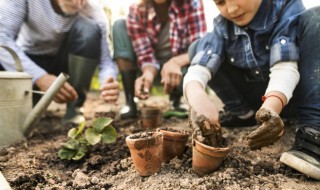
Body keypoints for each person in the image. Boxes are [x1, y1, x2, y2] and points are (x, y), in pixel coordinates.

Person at [184, 0, 320, 180]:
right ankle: (243, 115)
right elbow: (198, 69)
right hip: (258, 102)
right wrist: (197, 95)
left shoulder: (286, 8)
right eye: (220, 2)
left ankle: (313, 131)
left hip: (293, 95)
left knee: (316, 17)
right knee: (198, 47)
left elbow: (285, 68)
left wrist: (272, 106)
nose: (231, 9)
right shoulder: (222, 25)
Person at [0, 0, 120, 124]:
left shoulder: (93, 9)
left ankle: (75, 108)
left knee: (88, 29)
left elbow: (105, 61)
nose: (77, 3)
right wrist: (39, 77)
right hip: (29, 61)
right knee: (19, 117)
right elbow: (2, 38)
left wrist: (108, 80)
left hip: (65, 64)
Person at [112, 0, 207, 119]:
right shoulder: (136, 10)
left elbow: (199, 47)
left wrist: (175, 62)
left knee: (197, 64)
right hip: (151, 70)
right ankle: (130, 100)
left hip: (181, 71)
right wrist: (148, 73)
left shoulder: (193, 3)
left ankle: (176, 100)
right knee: (119, 25)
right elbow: (145, 54)